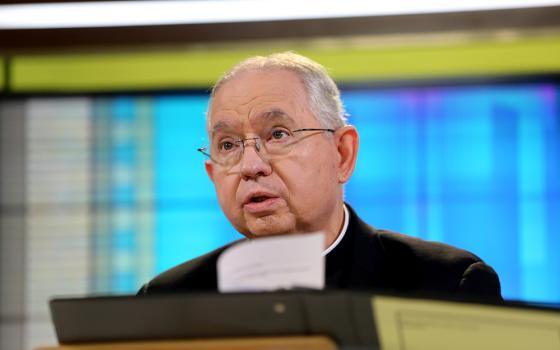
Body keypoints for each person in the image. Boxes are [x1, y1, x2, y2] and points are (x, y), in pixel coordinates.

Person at [139, 52, 501, 299]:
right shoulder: (168, 299)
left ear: (342, 154)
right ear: (212, 174)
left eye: (278, 134)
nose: (251, 166)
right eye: (228, 145)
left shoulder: (447, 284)